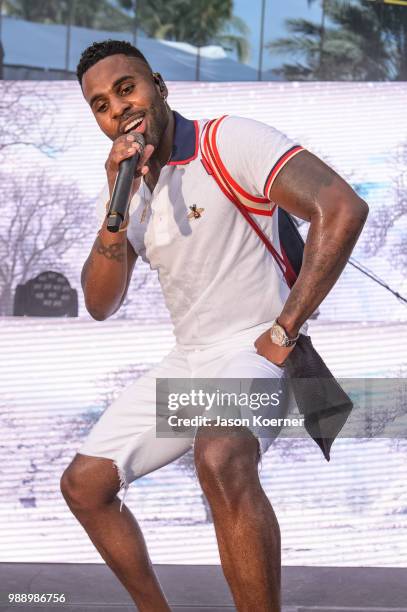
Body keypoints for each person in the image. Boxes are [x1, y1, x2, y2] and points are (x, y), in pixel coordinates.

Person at [60, 39, 368, 612]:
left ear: (158, 84)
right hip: (191, 363)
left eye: (126, 88)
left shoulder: (228, 140)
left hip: (258, 350)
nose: (118, 109)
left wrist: (285, 329)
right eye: (101, 105)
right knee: (85, 485)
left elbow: (342, 206)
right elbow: (101, 303)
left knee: (221, 452)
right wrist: (114, 203)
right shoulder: (132, 190)